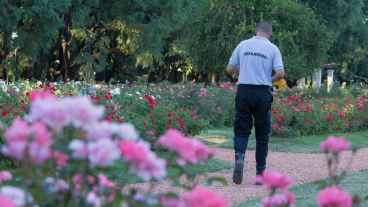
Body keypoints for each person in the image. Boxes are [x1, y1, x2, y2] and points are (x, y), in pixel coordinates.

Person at [226, 21, 285, 185]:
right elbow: (280, 73)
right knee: (262, 133)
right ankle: (260, 174)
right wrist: (268, 79)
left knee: (241, 128)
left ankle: (239, 158)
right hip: (263, 93)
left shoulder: (243, 44)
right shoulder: (273, 48)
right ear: (269, 33)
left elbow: (229, 69)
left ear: (256, 30)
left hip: (244, 91)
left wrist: (243, 69)